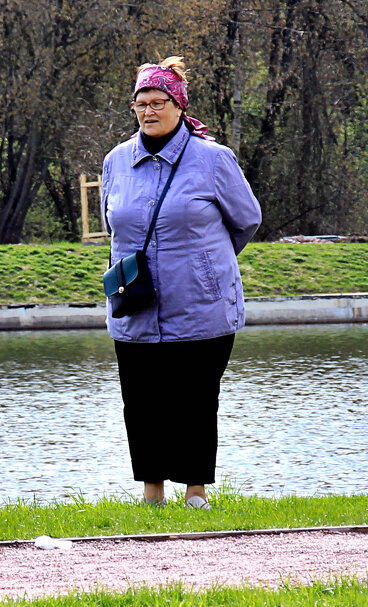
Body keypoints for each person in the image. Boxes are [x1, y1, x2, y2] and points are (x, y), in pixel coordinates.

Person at [100, 56, 261, 510]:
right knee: (142, 400)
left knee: (194, 399)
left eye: (159, 102)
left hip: (202, 305)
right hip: (136, 304)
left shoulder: (213, 159)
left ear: (179, 104)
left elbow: (246, 221)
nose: (149, 111)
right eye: (141, 103)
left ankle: (195, 492)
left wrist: (204, 265)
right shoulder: (116, 161)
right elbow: (113, 226)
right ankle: (152, 494)